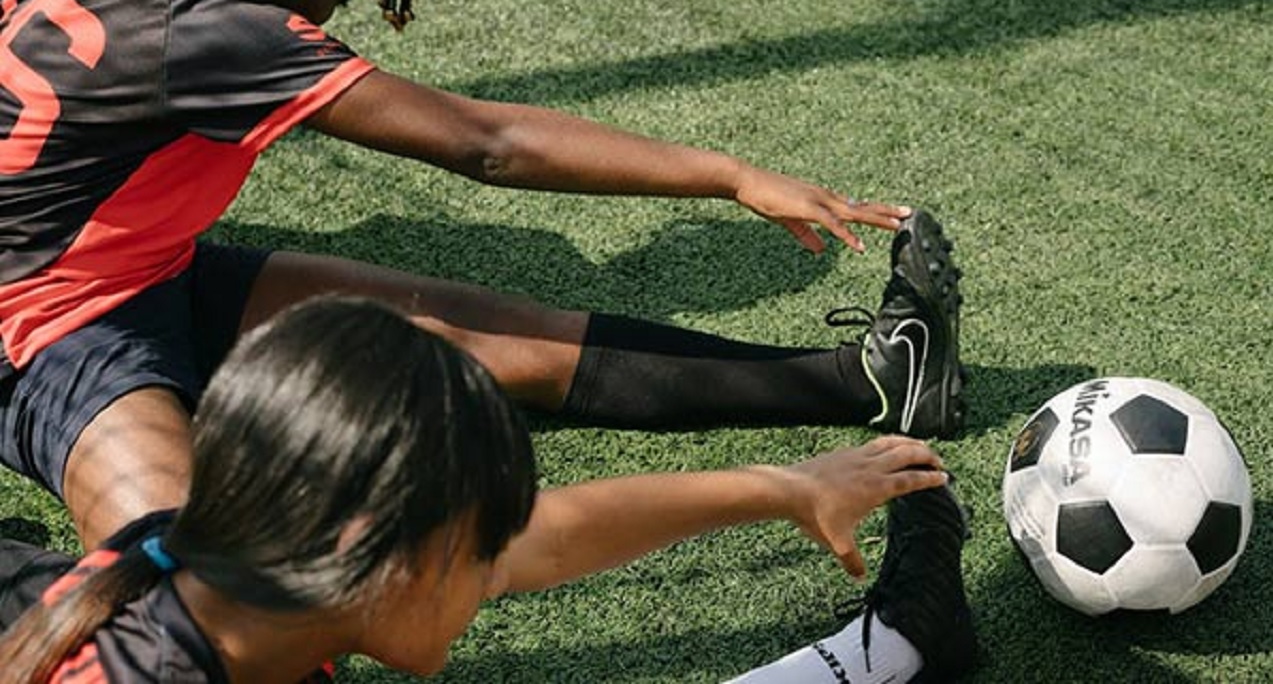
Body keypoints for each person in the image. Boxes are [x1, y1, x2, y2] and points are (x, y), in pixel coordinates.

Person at [0, 0, 965, 552]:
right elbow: (487, 142)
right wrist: (730, 175)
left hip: (138, 270)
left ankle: (872, 382)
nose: (331, 18)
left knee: (487, 333)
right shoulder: (225, 31)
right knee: (189, 579)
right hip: (39, 323)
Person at [0, 297, 978, 683]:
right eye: (474, 555)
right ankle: (889, 651)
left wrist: (785, 486)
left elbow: (542, 541)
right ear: (363, 553)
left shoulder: (219, 566)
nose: (492, 575)